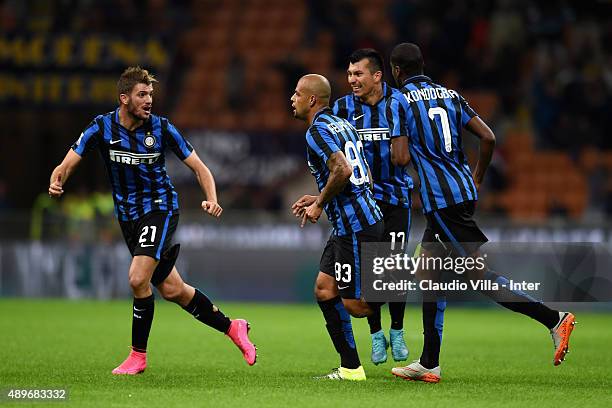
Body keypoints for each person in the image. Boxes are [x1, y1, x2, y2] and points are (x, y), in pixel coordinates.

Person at [385, 43, 576, 383]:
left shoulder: (398, 100)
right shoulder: (450, 95)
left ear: (396, 71)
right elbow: (488, 138)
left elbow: (400, 158)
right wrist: (477, 177)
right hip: (461, 193)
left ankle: (555, 319)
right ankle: (429, 362)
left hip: (442, 201)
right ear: (422, 65)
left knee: (479, 277)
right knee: (428, 272)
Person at [48, 67, 257, 375]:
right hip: (128, 218)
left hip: (160, 209)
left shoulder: (162, 128)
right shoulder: (101, 127)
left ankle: (138, 356)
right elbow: (67, 162)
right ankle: (233, 327)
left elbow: (200, 168)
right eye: (142, 95)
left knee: (136, 279)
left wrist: (212, 198)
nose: (148, 101)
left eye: (150, 95)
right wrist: (58, 179)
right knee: (173, 290)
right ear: (124, 98)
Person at [290, 74, 383, 381]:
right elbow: (356, 175)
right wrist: (321, 197)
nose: (292, 99)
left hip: (355, 224)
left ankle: (401, 285)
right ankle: (351, 368)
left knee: (355, 304)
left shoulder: (316, 131)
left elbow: (343, 169)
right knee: (324, 288)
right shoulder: (343, 124)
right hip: (351, 222)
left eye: (297, 93)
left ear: (312, 100)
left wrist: (319, 205)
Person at [333, 48, 413, 365]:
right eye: (349, 74)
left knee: (394, 268)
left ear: (377, 76)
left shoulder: (398, 103)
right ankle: (376, 334)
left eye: (358, 74)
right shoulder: (341, 109)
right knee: (371, 272)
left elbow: (408, 150)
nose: (352, 80)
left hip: (395, 200)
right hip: (363, 203)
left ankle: (398, 331)